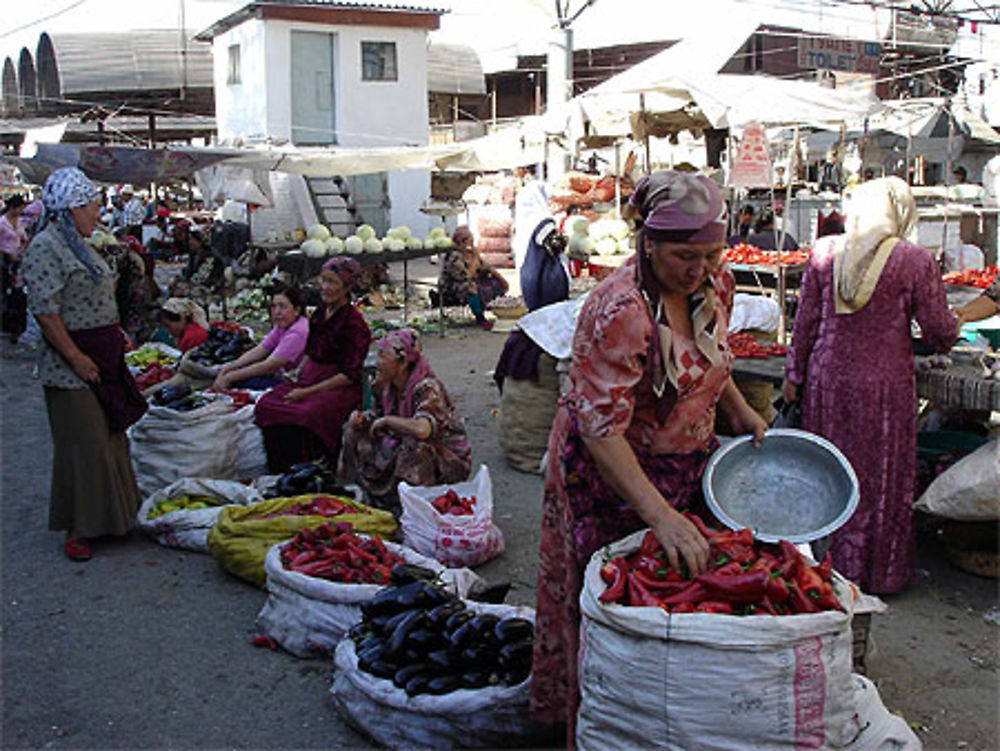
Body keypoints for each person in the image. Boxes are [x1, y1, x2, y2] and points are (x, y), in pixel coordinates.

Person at [532, 171, 768, 742]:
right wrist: (660, 514)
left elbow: (712, 354)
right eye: (686, 256)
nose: (701, 269)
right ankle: (594, 727)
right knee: (609, 604)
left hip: (686, 463)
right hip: (608, 474)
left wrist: (735, 406)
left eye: (712, 254)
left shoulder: (718, 285)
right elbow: (600, 427)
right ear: (649, 243)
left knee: (677, 596)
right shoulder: (620, 311)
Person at [782, 177, 958, 594]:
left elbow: (804, 323)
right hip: (883, 386)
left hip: (826, 380)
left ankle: (821, 570)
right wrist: (958, 323)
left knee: (828, 471)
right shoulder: (914, 261)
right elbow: (938, 331)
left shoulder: (824, 251)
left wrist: (793, 377)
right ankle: (876, 574)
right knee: (878, 476)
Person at [20, 167, 147, 562]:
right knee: (84, 443)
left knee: (110, 436)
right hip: (71, 364)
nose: (98, 213)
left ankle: (116, 519)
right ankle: (79, 528)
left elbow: (95, 298)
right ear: (72, 208)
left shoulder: (82, 244)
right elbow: (46, 311)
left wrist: (116, 332)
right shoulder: (46, 247)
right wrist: (75, 357)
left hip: (103, 356)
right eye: (93, 206)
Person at [254, 256, 372, 473]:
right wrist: (298, 372)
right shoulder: (319, 313)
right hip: (310, 378)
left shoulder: (354, 324)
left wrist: (307, 391)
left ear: (346, 286)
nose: (325, 287)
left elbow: (349, 374)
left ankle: (313, 470)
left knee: (306, 413)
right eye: (323, 280)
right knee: (267, 404)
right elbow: (311, 350)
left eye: (332, 282)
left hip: (337, 386)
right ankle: (280, 470)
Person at [339, 328, 471, 509]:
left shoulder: (427, 387)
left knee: (415, 447)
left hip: (445, 457)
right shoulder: (384, 384)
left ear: (402, 364)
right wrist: (362, 418)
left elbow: (422, 429)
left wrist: (388, 420)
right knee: (352, 430)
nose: (377, 363)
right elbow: (377, 414)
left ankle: (411, 506)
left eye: (384, 357)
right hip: (398, 439)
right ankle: (353, 492)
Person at [212, 285, 309, 391]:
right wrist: (228, 369)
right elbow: (260, 350)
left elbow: (269, 366)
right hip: (282, 375)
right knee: (238, 374)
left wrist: (229, 377)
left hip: (299, 383)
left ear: (297, 310)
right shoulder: (282, 327)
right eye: (273, 306)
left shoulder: (299, 331)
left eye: (282, 306)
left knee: (243, 381)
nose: (277, 312)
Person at [436, 225, 509, 329]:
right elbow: (466, 276)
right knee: (471, 287)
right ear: (462, 243)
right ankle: (480, 318)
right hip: (453, 285)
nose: (472, 244)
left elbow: (487, 267)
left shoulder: (470, 253)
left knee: (494, 282)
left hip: (471, 280)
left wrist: (501, 280)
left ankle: (499, 310)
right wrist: (475, 259)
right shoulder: (454, 256)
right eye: (470, 242)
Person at [1, 194, 29, 344]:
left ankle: (15, 327)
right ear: (12, 207)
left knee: (17, 294)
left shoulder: (20, 222)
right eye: (19, 208)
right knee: (5, 292)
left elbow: (24, 238)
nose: (20, 211)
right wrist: (7, 253)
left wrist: (22, 248)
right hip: (4, 262)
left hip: (18, 262)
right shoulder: (1, 223)